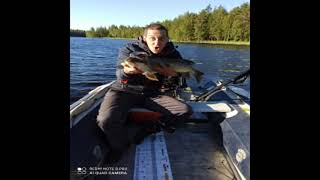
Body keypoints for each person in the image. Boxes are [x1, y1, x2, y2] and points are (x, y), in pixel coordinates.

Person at [96, 23, 193, 162]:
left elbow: (180, 76)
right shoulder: (129, 49)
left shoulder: (173, 53)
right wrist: (126, 72)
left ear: (167, 40)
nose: (156, 42)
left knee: (185, 110)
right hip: (123, 91)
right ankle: (120, 147)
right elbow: (119, 74)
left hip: (152, 94)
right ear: (144, 38)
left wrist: (174, 75)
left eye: (161, 39)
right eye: (152, 38)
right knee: (105, 120)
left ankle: (154, 126)